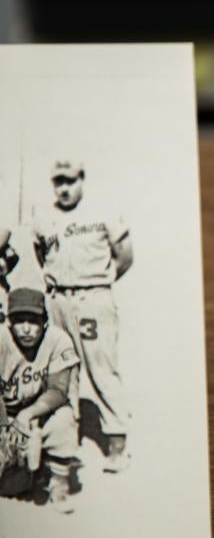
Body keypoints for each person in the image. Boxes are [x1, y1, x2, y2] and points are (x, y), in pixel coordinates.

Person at [32, 159, 134, 471]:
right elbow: (41, 254)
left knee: (101, 369)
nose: (63, 188)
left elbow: (125, 256)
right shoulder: (44, 215)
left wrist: (99, 285)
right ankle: (66, 439)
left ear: (81, 179)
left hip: (92, 299)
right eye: (58, 182)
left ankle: (117, 445)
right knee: (62, 368)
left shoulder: (102, 210)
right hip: (59, 299)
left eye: (70, 181)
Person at [0, 287, 80, 512]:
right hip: (5, 414)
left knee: (64, 418)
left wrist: (28, 416)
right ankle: (27, 471)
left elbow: (58, 391)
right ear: (9, 322)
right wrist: (7, 427)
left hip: (38, 412)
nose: (26, 329)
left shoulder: (58, 340)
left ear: (45, 322)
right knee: (13, 487)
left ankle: (59, 484)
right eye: (19, 320)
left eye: (33, 321)